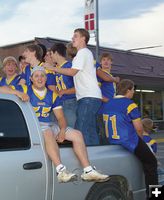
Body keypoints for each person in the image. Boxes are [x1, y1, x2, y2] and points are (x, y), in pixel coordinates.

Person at [14, 66, 110, 183]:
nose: (40, 78)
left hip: (48, 124)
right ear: (31, 79)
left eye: (42, 75)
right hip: (34, 125)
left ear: (46, 78)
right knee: (48, 132)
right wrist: (17, 92)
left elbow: (60, 117)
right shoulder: (24, 89)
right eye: (36, 76)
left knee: (77, 134)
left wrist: (63, 130)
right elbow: (2, 89)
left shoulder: (52, 95)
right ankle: (61, 171)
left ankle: (88, 171)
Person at [101, 79, 158, 199]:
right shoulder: (130, 104)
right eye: (133, 90)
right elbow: (138, 128)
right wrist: (142, 142)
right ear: (128, 90)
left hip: (111, 140)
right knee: (151, 163)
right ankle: (154, 195)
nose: (133, 92)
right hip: (127, 140)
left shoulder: (108, 103)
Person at [44, 28, 102, 145]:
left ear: (83, 38)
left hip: (88, 97)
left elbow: (72, 72)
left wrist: (52, 68)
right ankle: (93, 156)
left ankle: (85, 159)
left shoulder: (83, 53)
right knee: (90, 130)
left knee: (80, 130)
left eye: (75, 36)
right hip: (89, 97)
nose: (72, 38)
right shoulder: (83, 54)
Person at [50, 43, 77, 128]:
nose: (51, 57)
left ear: (56, 53)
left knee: (69, 129)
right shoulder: (56, 69)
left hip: (70, 102)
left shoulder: (70, 66)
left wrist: (64, 91)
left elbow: (79, 87)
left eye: (51, 54)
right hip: (59, 103)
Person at [97, 53, 119, 144]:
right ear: (100, 62)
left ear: (111, 62)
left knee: (110, 133)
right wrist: (107, 100)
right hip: (102, 109)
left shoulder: (110, 76)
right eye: (103, 60)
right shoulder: (100, 74)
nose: (106, 62)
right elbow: (95, 91)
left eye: (108, 60)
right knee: (103, 134)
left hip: (110, 109)